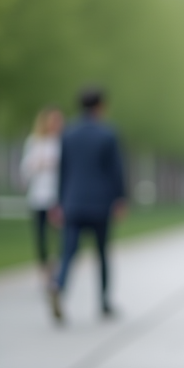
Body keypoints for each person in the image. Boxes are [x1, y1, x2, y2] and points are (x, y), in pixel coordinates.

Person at [49, 87, 127, 323]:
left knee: (69, 251)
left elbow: (63, 171)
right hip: (100, 203)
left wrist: (59, 201)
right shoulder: (108, 134)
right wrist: (120, 198)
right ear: (101, 106)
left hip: (73, 201)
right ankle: (103, 302)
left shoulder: (68, 134)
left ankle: (59, 285)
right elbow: (116, 171)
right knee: (102, 253)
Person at [20, 107, 63, 286]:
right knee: (41, 237)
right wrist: (38, 164)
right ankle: (44, 271)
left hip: (57, 197)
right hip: (39, 196)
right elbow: (25, 169)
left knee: (60, 236)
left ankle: (57, 268)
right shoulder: (34, 142)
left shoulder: (62, 142)